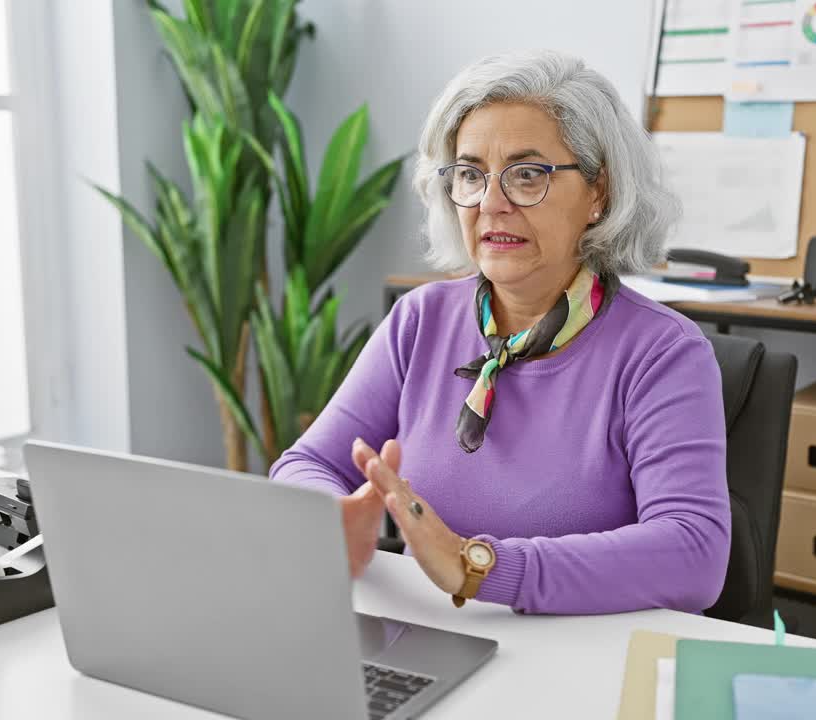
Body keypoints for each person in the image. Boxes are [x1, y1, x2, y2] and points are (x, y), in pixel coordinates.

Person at [270, 49, 730, 615]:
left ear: (599, 193)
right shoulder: (420, 320)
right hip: (432, 634)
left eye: (527, 175)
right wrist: (332, 514)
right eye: (470, 174)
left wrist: (476, 565)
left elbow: (694, 554)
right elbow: (304, 463)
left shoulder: (664, 353)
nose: (491, 204)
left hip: (583, 659)